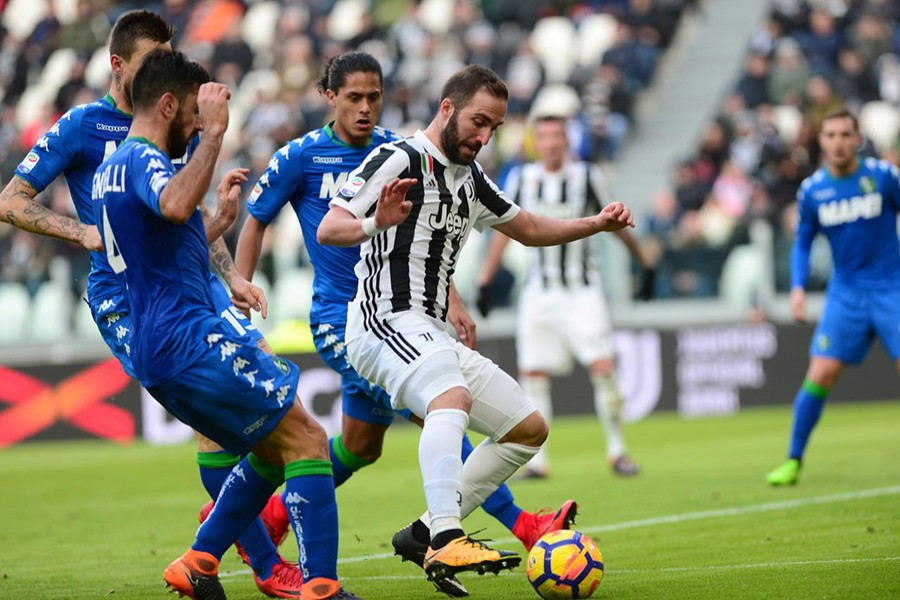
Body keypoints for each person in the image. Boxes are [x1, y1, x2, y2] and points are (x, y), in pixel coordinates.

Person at [233, 51, 577, 598]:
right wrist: (240, 295)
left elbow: (429, 239)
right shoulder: (301, 156)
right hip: (346, 317)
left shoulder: (411, 151)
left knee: (362, 445)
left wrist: (453, 301)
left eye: (374, 97)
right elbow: (256, 221)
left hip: (415, 314)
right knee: (444, 401)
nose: (367, 108)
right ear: (330, 97)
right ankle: (493, 527)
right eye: (354, 98)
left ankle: (260, 515)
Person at [0, 11, 301, 597]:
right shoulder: (83, 126)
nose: (167, 73)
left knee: (263, 403)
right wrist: (77, 231)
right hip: (130, 296)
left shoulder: (171, 120)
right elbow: (9, 199)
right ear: (118, 65)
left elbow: (180, 210)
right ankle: (262, 563)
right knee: (219, 427)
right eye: (151, 60)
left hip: (191, 280)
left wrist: (230, 275)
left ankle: (227, 538)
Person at [317, 64, 634, 590]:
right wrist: (377, 222)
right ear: (447, 108)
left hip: (430, 330)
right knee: (451, 396)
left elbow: (527, 227)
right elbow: (330, 227)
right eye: (478, 122)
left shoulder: (473, 178)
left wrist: (595, 223)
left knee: (527, 428)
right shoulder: (398, 157)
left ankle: (423, 532)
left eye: (495, 129)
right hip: (381, 321)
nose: (485, 137)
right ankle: (445, 538)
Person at [93, 49, 360, 600]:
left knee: (267, 451)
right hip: (190, 339)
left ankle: (199, 561)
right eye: (192, 112)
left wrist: (218, 222)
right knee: (307, 440)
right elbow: (170, 206)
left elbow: (163, 243)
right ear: (167, 105)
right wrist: (213, 136)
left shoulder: (109, 169)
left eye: (202, 117)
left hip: (157, 346)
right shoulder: (141, 158)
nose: (196, 122)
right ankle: (322, 589)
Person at [475, 115, 650, 478]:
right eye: (544, 136)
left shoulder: (587, 177)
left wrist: (643, 262)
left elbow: (614, 223)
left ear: (567, 141)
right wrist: (485, 280)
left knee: (603, 366)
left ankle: (617, 450)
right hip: (538, 292)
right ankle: (538, 462)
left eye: (557, 136)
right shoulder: (522, 178)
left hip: (582, 291)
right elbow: (504, 231)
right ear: (535, 142)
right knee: (533, 373)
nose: (551, 143)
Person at [766, 107, 900, 487]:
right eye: (831, 136)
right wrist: (796, 288)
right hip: (846, 295)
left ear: (857, 139)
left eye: (845, 135)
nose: (839, 143)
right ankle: (793, 459)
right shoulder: (813, 190)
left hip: (892, 287)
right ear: (821, 142)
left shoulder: (883, 176)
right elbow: (803, 243)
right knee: (820, 373)